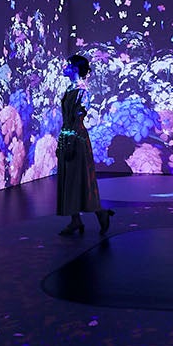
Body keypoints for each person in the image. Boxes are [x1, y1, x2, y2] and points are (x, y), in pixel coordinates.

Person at [57, 54, 113, 237]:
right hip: (67, 135)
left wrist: (70, 138)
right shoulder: (70, 88)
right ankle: (75, 219)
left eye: (68, 65)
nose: (64, 67)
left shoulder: (82, 91)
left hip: (77, 138)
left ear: (75, 68)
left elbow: (78, 117)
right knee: (69, 178)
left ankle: (100, 213)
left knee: (80, 178)